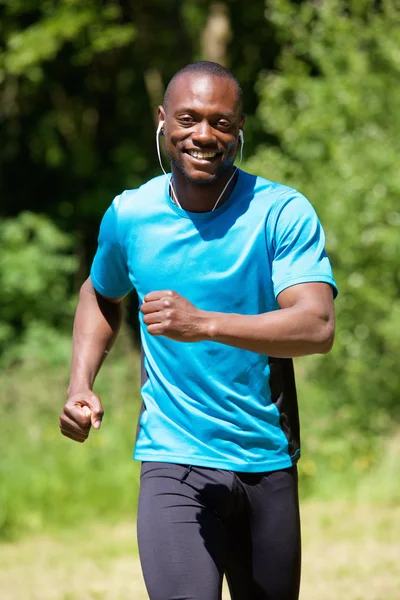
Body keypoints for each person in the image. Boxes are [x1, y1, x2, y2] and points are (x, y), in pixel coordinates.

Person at [60, 61, 337, 600]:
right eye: (188, 120)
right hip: (173, 457)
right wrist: (79, 384)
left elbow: (317, 324)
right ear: (162, 121)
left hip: (265, 458)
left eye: (221, 122)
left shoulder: (280, 212)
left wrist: (204, 323)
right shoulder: (130, 215)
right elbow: (100, 292)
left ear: (239, 130)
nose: (204, 136)